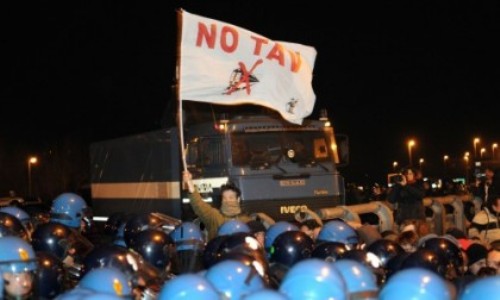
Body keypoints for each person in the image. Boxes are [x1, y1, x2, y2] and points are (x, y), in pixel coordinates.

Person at [183, 170, 251, 240]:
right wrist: (189, 183)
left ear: (238, 199)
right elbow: (198, 204)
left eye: (231, 197)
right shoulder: (214, 216)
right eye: (224, 198)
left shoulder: (247, 220)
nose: (227, 201)